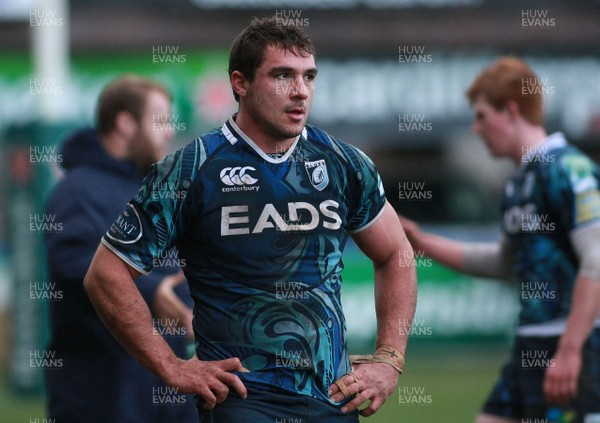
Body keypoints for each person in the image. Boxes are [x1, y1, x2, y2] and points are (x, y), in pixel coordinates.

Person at [83, 17, 417, 422]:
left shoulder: (343, 163)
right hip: (243, 398)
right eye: (282, 76)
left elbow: (396, 252)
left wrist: (389, 359)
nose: (300, 91)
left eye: (308, 76)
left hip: (333, 398)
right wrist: (171, 367)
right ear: (240, 83)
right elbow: (106, 273)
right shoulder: (191, 169)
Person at [400, 57, 600, 423]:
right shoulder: (517, 183)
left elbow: (597, 260)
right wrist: (420, 241)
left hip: (579, 346)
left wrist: (570, 350)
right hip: (531, 344)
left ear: (510, 111)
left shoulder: (568, 169)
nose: (476, 129)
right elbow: (505, 263)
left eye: (481, 117)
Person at [44, 75, 198, 423]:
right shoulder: (77, 190)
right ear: (126, 123)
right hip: (105, 400)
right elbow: (76, 263)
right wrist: (152, 289)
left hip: (169, 397)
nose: (169, 131)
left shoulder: (154, 188)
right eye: (160, 119)